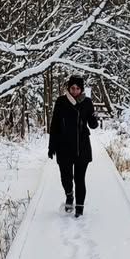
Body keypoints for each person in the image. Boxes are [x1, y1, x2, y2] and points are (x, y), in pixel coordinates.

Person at [48, 73, 98, 215]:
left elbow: (92, 125)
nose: (75, 91)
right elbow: (54, 126)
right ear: (68, 88)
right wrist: (51, 146)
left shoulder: (87, 102)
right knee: (66, 178)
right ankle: (69, 196)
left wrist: (94, 118)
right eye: (72, 88)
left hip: (82, 147)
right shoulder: (61, 101)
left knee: (80, 179)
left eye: (77, 88)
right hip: (64, 147)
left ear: (81, 89)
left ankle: (80, 208)